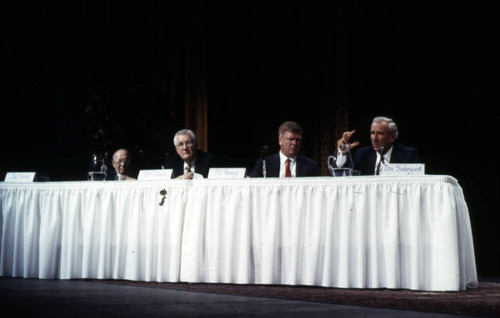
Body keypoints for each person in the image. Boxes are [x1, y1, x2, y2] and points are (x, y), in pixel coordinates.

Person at [337, 116, 420, 175]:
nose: (374, 138)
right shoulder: (362, 155)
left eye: (380, 133)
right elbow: (342, 175)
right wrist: (342, 152)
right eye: (372, 133)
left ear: (392, 137)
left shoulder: (408, 155)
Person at [249, 121, 321, 178]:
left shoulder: (311, 166)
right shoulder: (265, 164)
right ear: (280, 140)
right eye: (291, 139)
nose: (295, 143)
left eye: (298, 140)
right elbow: (252, 186)